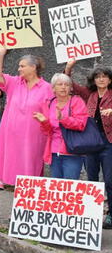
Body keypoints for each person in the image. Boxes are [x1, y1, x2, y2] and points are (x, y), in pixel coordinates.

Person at [0, 49, 53, 189]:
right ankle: (20, 204)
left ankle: (29, 202)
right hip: (12, 136)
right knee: (14, 168)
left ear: (33, 67)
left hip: (34, 137)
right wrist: (1, 54)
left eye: (22, 66)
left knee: (31, 169)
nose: (19, 69)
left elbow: (50, 114)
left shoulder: (47, 88)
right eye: (19, 66)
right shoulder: (15, 82)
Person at [65, 60, 112, 228]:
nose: (101, 79)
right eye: (98, 77)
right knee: (91, 179)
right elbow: (69, 84)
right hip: (91, 141)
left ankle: (111, 215)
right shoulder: (88, 94)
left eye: (104, 77)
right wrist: (69, 67)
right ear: (94, 80)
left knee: (109, 180)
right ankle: (91, 214)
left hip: (108, 141)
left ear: (109, 80)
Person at [32, 73, 88, 180]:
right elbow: (47, 131)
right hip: (53, 151)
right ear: (53, 88)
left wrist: (63, 119)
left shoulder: (77, 101)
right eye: (60, 84)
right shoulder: (49, 103)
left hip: (72, 150)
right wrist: (44, 122)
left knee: (70, 185)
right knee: (57, 186)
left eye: (66, 85)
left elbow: (81, 124)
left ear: (71, 88)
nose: (63, 87)